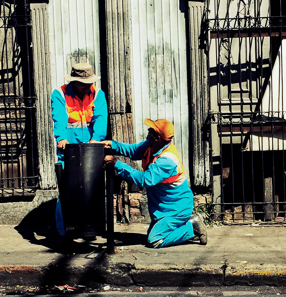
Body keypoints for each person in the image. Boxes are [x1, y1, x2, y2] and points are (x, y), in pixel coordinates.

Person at [103, 118, 208, 248]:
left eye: (151, 130)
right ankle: (181, 225)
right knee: (151, 235)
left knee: (154, 240)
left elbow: (144, 179)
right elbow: (134, 151)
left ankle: (192, 226)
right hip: (165, 207)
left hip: (177, 208)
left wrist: (117, 164)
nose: (148, 130)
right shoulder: (151, 145)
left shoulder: (167, 161)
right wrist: (112, 145)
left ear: (157, 137)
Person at [51, 61, 108, 236]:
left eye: (90, 82)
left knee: (92, 188)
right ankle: (65, 231)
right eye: (84, 84)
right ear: (74, 82)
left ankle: (91, 228)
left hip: (91, 148)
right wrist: (61, 138)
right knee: (66, 190)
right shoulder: (59, 94)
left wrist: (95, 141)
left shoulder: (97, 94)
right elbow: (59, 117)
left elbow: (100, 118)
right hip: (69, 149)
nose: (88, 87)